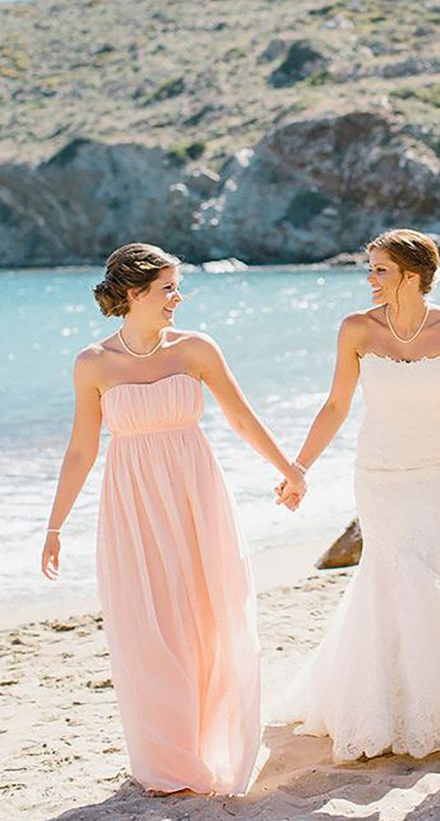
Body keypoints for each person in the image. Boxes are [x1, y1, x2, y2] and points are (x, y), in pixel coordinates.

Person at [41, 242, 305, 795]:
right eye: (167, 289)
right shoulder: (92, 363)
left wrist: (290, 469)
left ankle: (213, 744)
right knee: (149, 625)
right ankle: (168, 758)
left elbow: (240, 415)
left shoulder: (196, 349)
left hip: (196, 496)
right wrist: (54, 526)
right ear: (134, 294)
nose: (177, 299)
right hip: (133, 506)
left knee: (210, 616)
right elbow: (81, 449)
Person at [277, 228, 440, 761]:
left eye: (380, 270)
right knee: (391, 576)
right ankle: (389, 702)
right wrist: (298, 467)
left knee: (437, 569)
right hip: (379, 473)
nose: (369, 279)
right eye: (370, 269)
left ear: (411, 277)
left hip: (437, 472)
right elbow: (335, 406)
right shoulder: (356, 330)